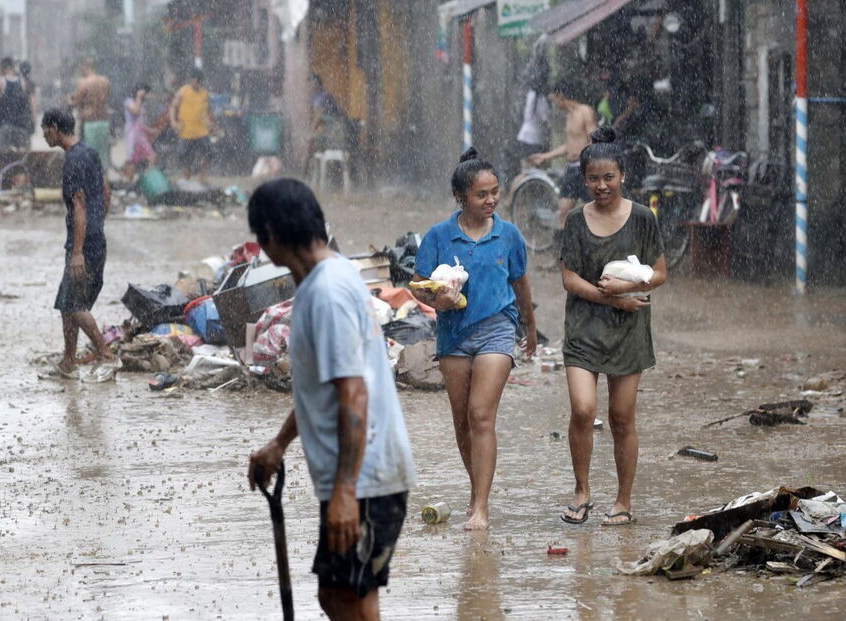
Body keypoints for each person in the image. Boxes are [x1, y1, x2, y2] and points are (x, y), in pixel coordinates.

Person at [247, 178, 416, 621]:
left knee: (351, 603)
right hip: (363, 474)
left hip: (365, 478)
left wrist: (345, 491)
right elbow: (320, 386)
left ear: (268, 238)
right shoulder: (329, 277)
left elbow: (353, 395)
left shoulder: (325, 293)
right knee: (338, 598)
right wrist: (279, 444)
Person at [412, 148, 538, 531]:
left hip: (497, 328)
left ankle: (480, 507)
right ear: (461, 197)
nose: (491, 200)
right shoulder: (438, 236)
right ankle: (475, 489)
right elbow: (418, 286)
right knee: (462, 419)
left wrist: (530, 329)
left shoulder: (508, 234)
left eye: (495, 192)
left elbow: (519, 283)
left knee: (481, 414)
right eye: (482, 195)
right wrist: (437, 297)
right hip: (453, 332)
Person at [558, 127, 666, 526]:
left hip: (628, 329)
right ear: (583, 179)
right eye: (593, 179)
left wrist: (630, 286)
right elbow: (569, 278)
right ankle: (582, 490)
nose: (601, 186)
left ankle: (623, 500)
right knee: (583, 410)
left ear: (623, 176)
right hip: (584, 325)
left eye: (609, 178)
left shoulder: (642, 218)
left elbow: (659, 273)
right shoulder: (574, 219)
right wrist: (610, 296)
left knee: (621, 417)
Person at [41, 108, 121, 382]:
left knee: (74, 305)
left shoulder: (73, 161)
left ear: (54, 128)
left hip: (82, 244)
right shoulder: (89, 152)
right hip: (95, 238)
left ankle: (107, 354)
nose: (43, 135)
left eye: (44, 129)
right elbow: (106, 191)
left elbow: (79, 205)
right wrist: (99, 225)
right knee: (68, 303)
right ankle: (68, 361)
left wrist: (77, 251)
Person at [527, 79, 598, 228]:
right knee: (564, 211)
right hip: (571, 169)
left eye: (555, 99)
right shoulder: (569, 116)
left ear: (561, 97)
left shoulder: (585, 112)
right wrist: (545, 156)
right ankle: (564, 248)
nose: (555, 104)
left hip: (584, 168)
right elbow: (570, 146)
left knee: (593, 214)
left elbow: (595, 141)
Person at [170, 68, 216, 181]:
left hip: (202, 131)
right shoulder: (183, 91)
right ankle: (187, 179)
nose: (195, 82)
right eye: (193, 79)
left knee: (209, 153)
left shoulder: (205, 94)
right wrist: (173, 121)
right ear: (191, 79)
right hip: (186, 132)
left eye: (197, 80)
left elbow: (209, 112)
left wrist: (212, 124)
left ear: (200, 81)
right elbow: (173, 107)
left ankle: (202, 175)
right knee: (185, 158)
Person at [0, 57, 32, 153]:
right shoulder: (24, 83)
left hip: (4, 129)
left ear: (3, 68)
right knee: (24, 161)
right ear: (13, 68)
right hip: (22, 129)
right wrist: (31, 127)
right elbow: (30, 107)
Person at [70, 58, 112, 171]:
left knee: (89, 156)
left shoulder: (83, 83)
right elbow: (106, 98)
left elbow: (76, 101)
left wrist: (71, 100)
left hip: (89, 123)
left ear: (85, 67)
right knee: (103, 157)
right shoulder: (105, 81)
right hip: (104, 122)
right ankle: (105, 183)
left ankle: (91, 184)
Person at [123, 83, 157, 179]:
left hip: (140, 136)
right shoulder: (128, 101)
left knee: (152, 157)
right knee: (132, 161)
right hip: (133, 136)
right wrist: (138, 97)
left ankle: (149, 179)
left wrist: (150, 130)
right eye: (145, 93)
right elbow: (135, 111)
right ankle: (129, 182)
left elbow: (140, 123)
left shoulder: (141, 103)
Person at [19, 61, 39, 138]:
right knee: (26, 141)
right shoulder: (31, 84)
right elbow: (33, 101)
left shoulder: (16, 82)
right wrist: (34, 118)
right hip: (27, 116)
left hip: (16, 117)